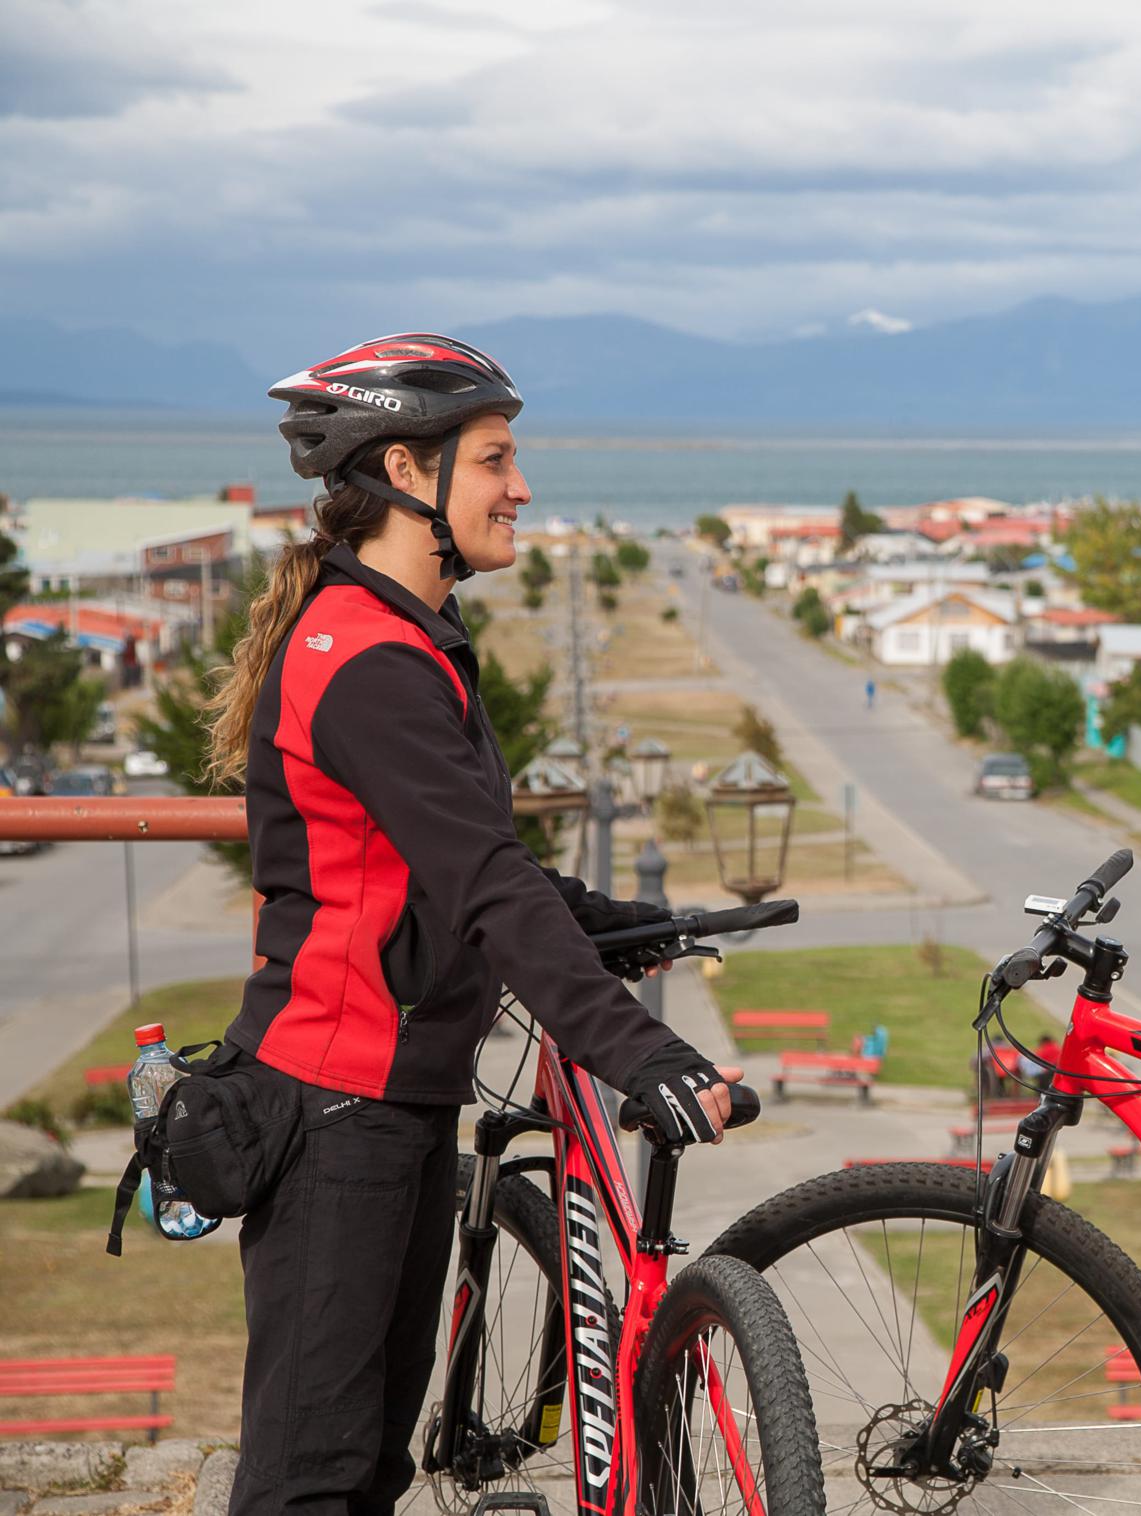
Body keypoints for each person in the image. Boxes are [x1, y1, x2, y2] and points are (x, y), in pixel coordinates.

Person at [201, 333, 744, 1515]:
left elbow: (452, 861)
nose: (521, 487)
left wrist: (612, 921)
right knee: (310, 1478)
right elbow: (482, 881)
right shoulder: (367, 661)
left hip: (387, 1100)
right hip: (332, 1106)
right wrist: (644, 1052)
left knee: (365, 1467)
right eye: (496, 459)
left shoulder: (405, 640)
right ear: (407, 470)